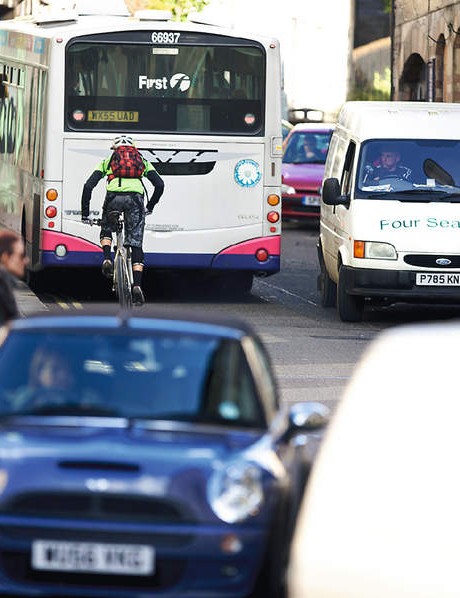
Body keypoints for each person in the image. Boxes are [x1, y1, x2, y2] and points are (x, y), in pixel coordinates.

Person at [81, 135, 165, 306]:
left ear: (114, 149)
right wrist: (150, 206)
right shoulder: (141, 160)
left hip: (113, 199)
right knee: (135, 242)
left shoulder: (108, 161)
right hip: (135, 200)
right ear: (133, 149)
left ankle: (106, 258)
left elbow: (88, 185)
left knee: (106, 227)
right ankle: (137, 285)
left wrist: (85, 213)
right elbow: (160, 184)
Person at [0, 230, 28, 331]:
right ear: (5, 257)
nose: (26, 260)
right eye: (21, 255)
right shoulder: (2, 283)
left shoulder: (6, 281)